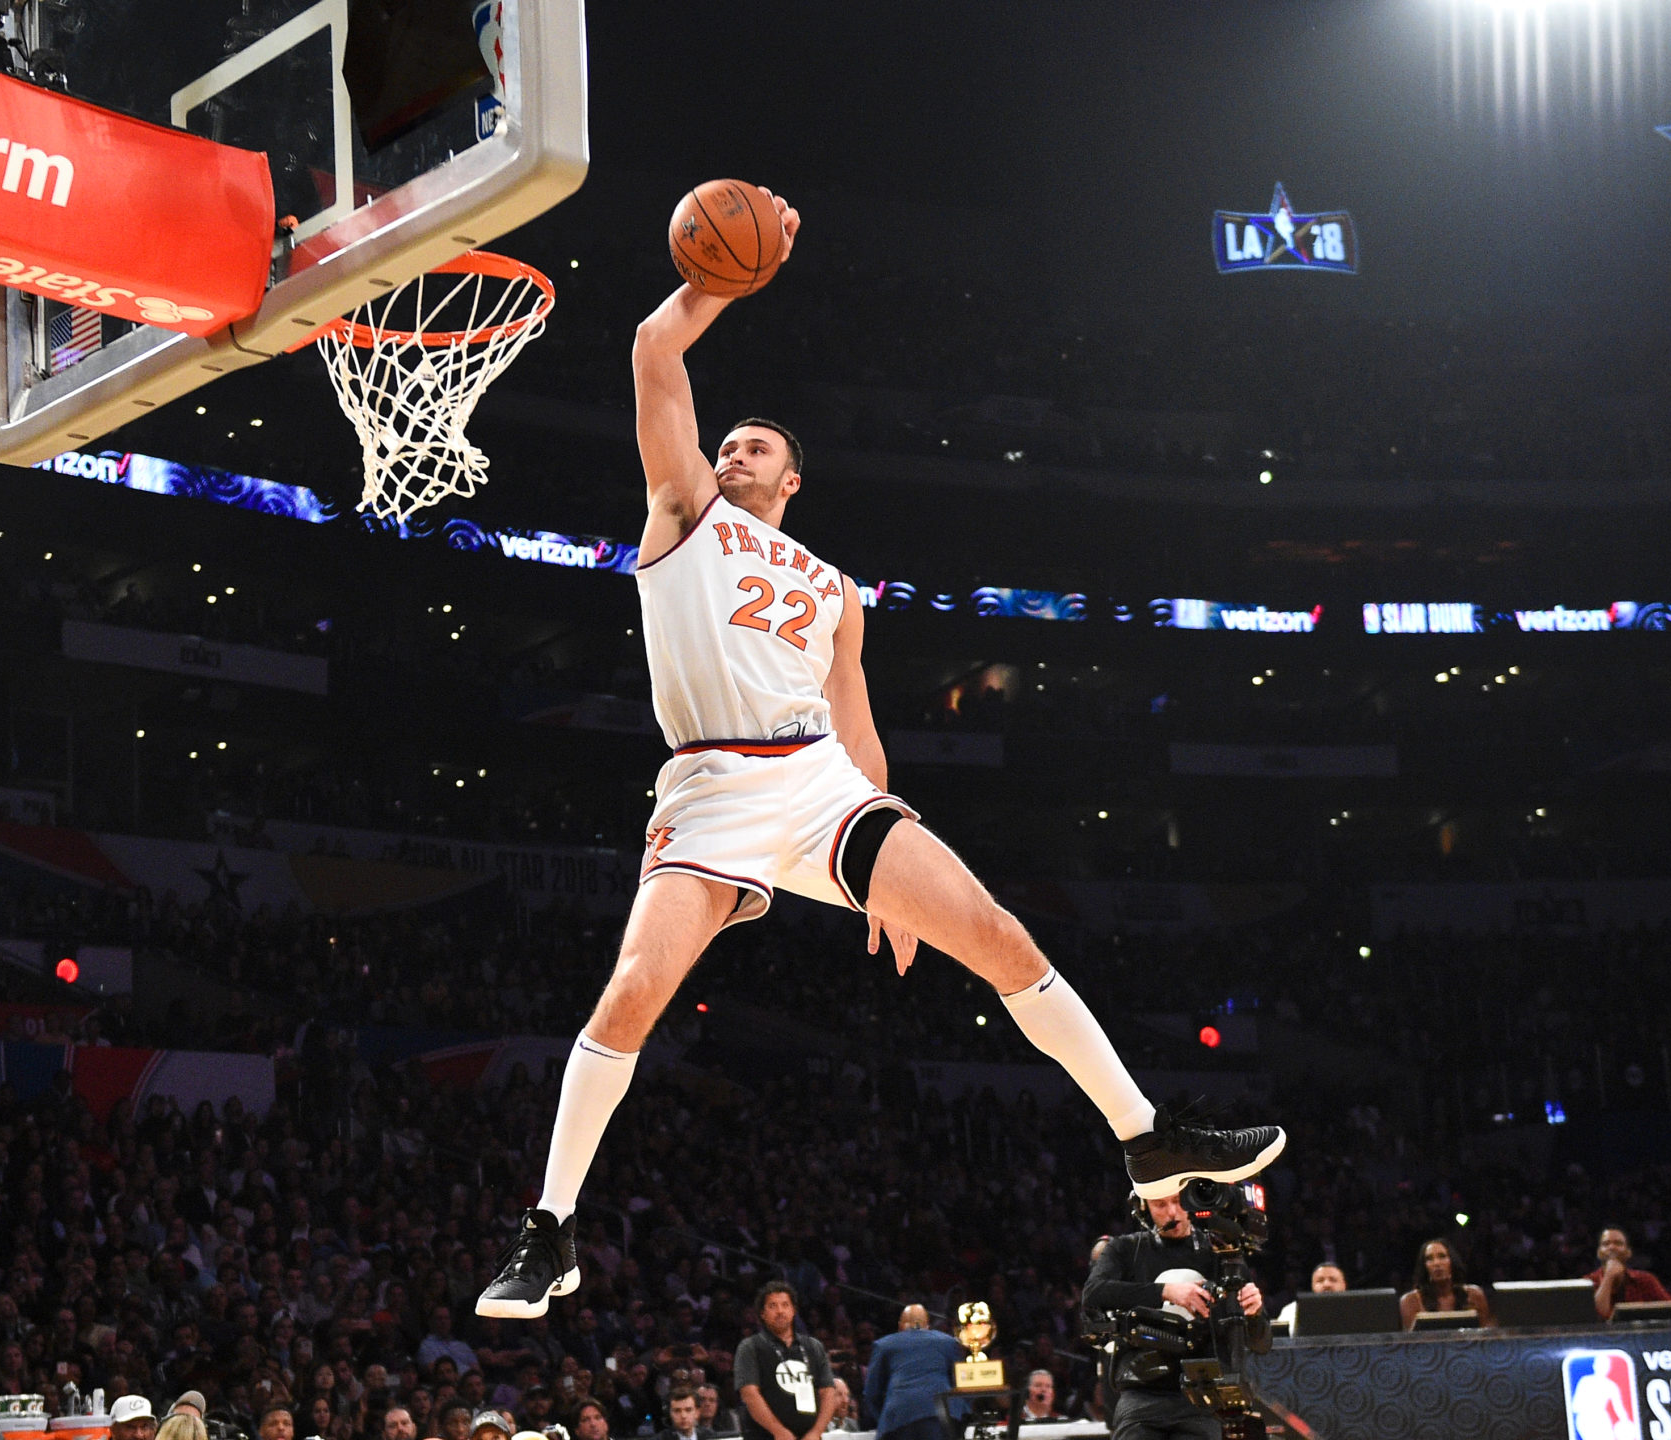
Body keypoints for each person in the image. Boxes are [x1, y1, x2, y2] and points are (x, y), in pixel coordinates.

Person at [476, 185, 1285, 1320]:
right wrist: (732, 275)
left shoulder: (835, 589)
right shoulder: (680, 515)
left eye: (752, 446)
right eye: (724, 442)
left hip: (820, 788)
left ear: (790, 480)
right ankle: (550, 1230)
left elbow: (854, 725)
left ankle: (1149, 1140)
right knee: (629, 998)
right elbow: (654, 343)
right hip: (709, 790)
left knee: (1000, 937)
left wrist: (882, 872)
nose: (730, 450)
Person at [1082, 1193, 1264, 1440]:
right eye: (1160, 1204)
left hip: (1201, 1398)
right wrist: (1165, 1291)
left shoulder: (1223, 1253)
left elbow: (1261, 1343)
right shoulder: (1125, 1248)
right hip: (1142, 1394)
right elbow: (1094, 1294)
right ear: (1144, 1206)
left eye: (1179, 1202)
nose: (1172, 1213)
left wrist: (1254, 1313)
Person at [733, 1283, 834, 1440]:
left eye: (785, 1305)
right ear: (762, 1313)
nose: (780, 1311)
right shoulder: (750, 1347)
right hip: (766, 1436)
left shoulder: (813, 1346)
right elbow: (749, 1394)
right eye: (772, 1306)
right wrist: (779, 1431)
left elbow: (828, 1392)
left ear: (793, 1311)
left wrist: (816, 1432)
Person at [859, 1305, 958, 1440]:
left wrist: (885, 1418)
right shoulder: (948, 1342)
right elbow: (960, 1384)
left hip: (898, 1416)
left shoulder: (884, 1345)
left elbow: (871, 1393)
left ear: (900, 1326)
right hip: (940, 1414)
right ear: (928, 1326)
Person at [1398, 1240, 1491, 1330]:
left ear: (1452, 1261)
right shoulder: (1410, 1301)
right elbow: (1410, 1342)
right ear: (1424, 1266)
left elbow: (1486, 1336)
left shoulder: (1474, 1295)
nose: (1437, 1263)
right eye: (1429, 1259)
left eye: (1442, 1256)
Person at [1585, 1229, 1671, 1321]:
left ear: (1628, 1252)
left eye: (1618, 1243)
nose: (1611, 1247)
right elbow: (1595, 1319)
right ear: (1599, 1253)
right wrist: (1609, 1277)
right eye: (1606, 1244)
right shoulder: (1587, 1283)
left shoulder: (1646, 1280)